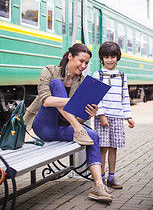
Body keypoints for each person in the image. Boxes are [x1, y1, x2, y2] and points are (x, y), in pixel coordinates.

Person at [23, 43, 113, 203]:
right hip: (44, 126)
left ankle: (98, 186)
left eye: (86, 63)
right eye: (81, 61)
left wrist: (87, 115)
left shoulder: (83, 82)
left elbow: (76, 116)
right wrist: (72, 101)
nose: (83, 66)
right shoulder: (50, 71)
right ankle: (79, 130)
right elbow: (46, 101)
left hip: (65, 128)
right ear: (70, 56)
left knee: (92, 135)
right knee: (57, 84)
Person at [93, 41, 135, 189]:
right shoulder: (98, 74)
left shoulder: (122, 76)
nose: (109, 60)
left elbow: (125, 98)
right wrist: (102, 115)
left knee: (114, 147)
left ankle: (112, 176)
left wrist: (128, 116)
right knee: (102, 147)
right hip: (103, 118)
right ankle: (101, 177)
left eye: (112, 57)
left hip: (117, 117)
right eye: (106, 57)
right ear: (101, 58)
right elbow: (96, 98)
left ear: (117, 57)